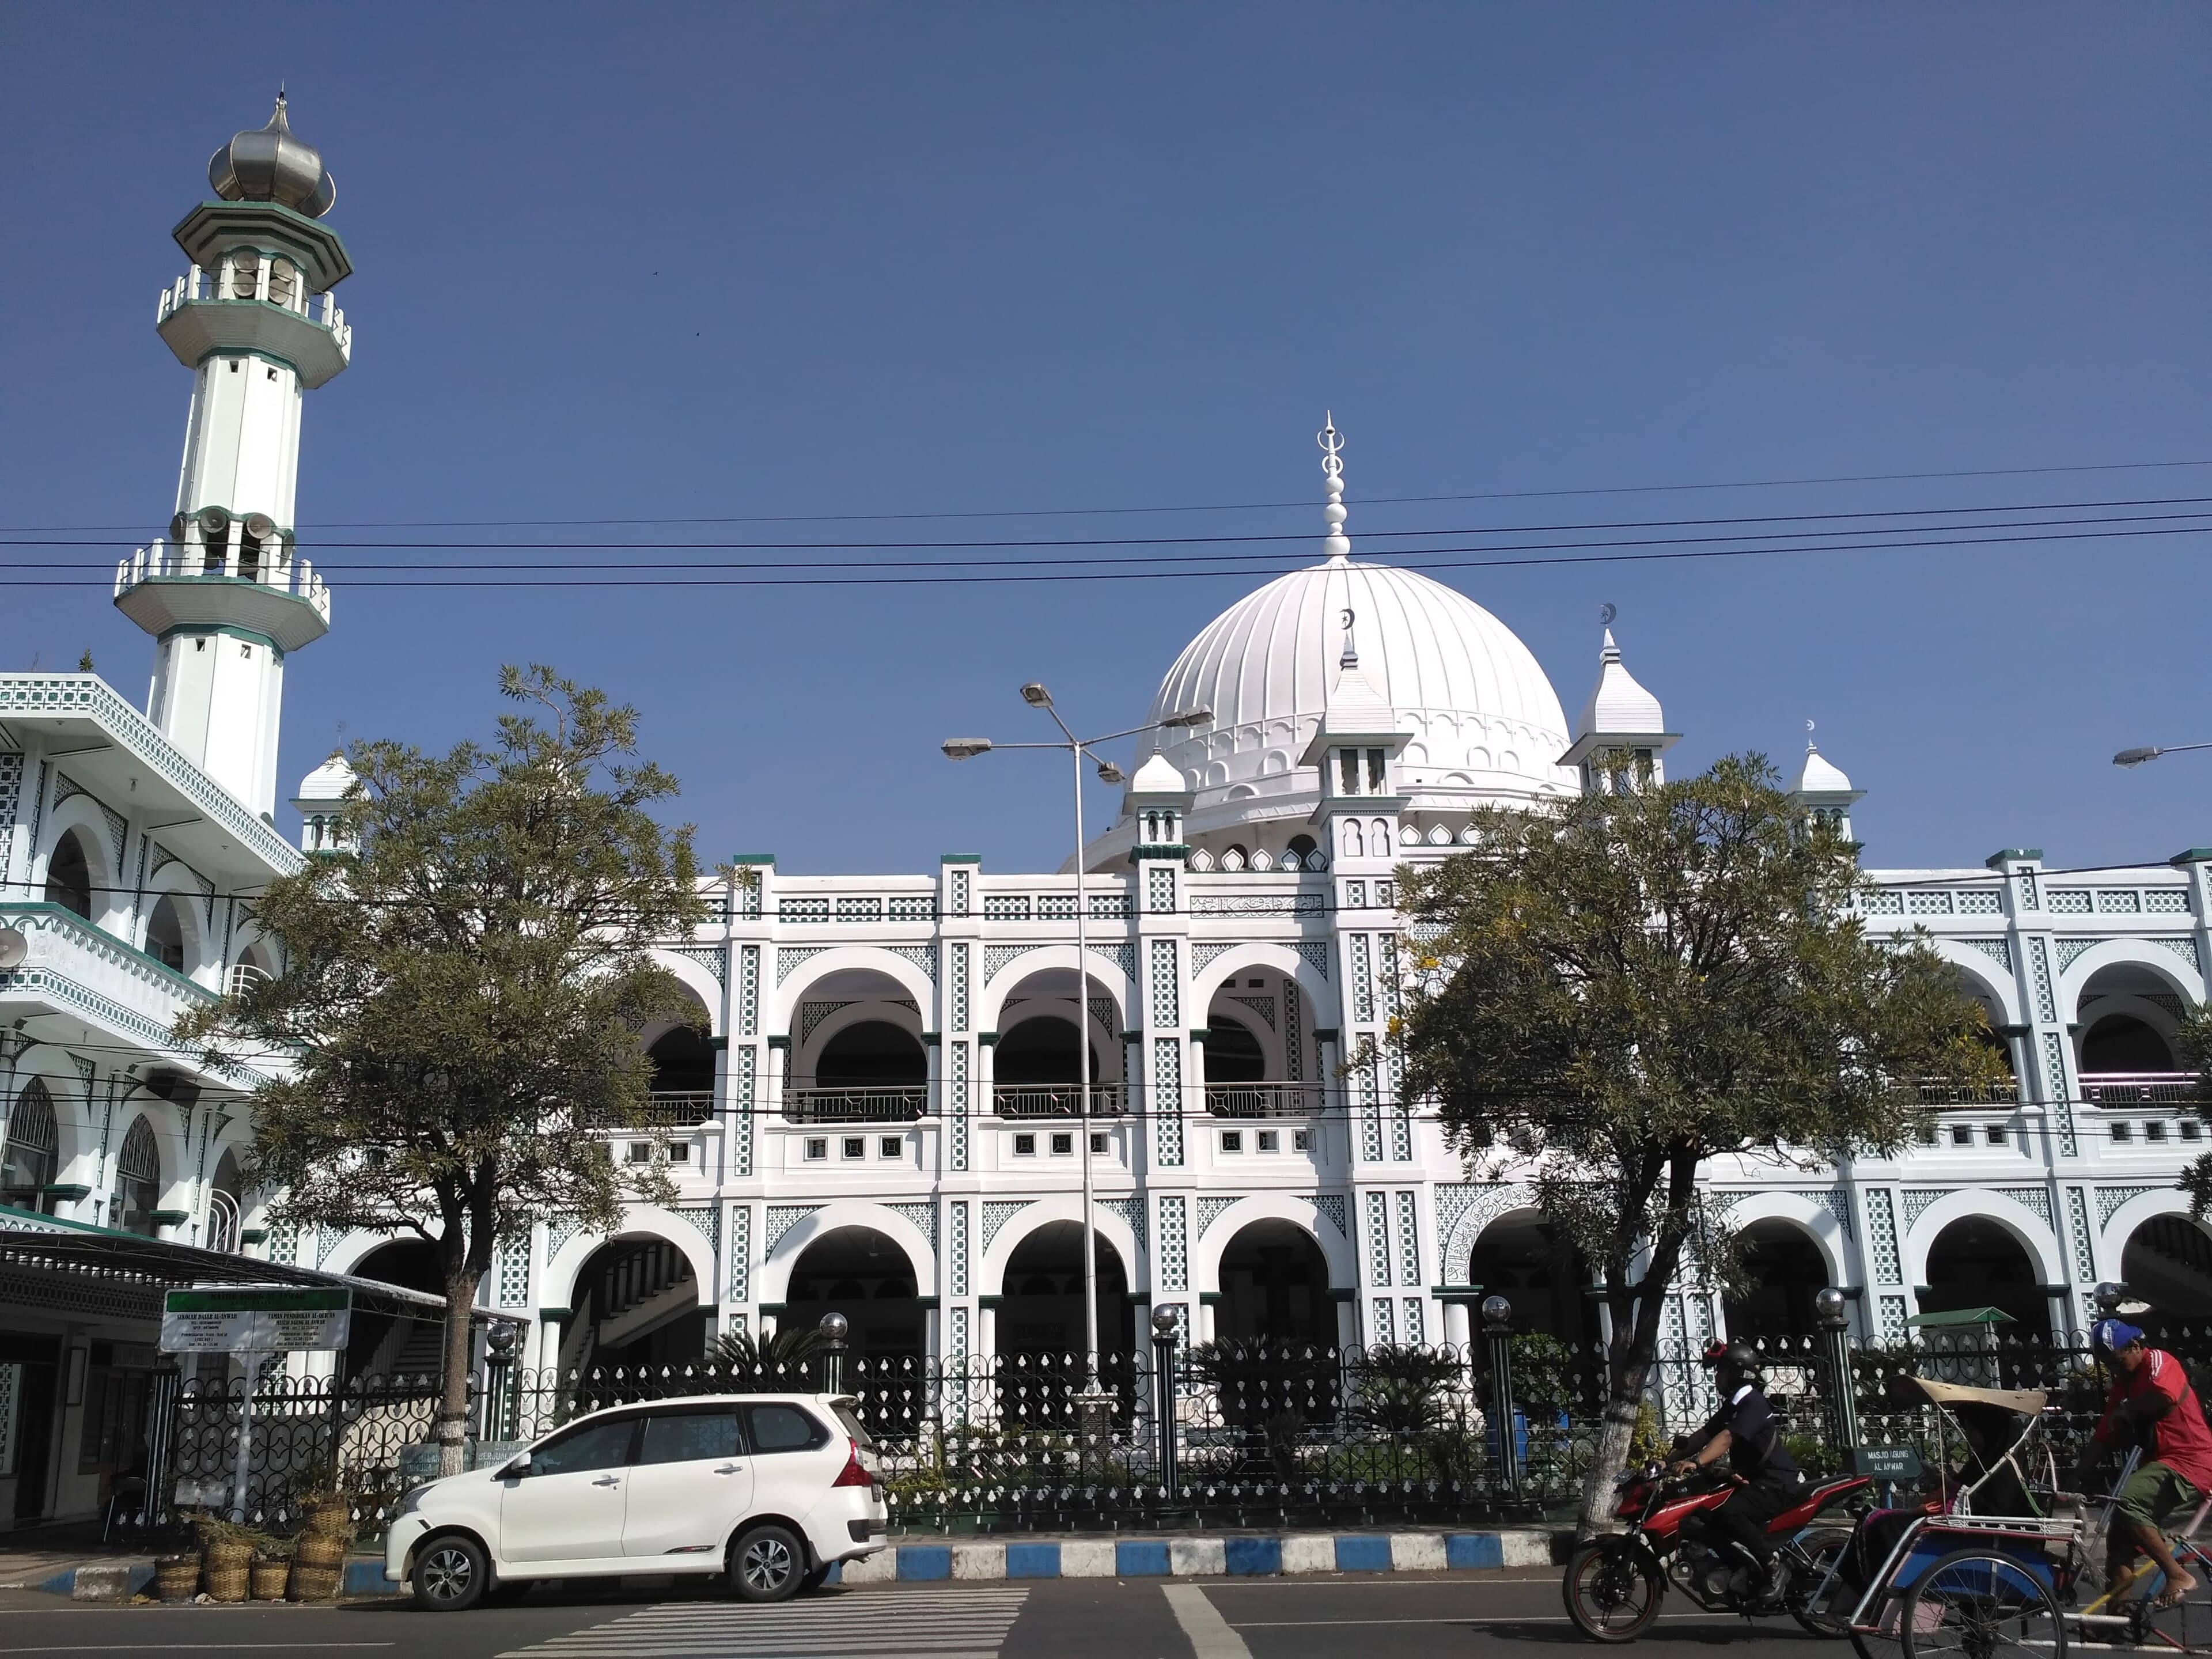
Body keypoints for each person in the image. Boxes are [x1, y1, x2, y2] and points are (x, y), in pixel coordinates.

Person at [2075, 1319, 2212, 1606]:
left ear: (2136, 1346)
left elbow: (2164, 1395)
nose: (2114, 1370)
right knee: (2119, 1536)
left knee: (2128, 1502)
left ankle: (2177, 1575)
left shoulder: (2159, 1362)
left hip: (2191, 1464)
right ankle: (2117, 1616)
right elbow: (2105, 1433)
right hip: (2161, 1466)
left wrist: (2128, 1409)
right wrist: (2079, 1473)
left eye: (2118, 1361)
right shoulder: (2123, 1385)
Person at [1670, 1340, 1811, 1601]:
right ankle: (1738, 1567)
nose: (1717, 1378)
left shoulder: (1753, 1403)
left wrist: (1697, 1462)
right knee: (1703, 1511)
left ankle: (1772, 1567)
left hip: (1775, 1482)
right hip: (1754, 1481)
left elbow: (1726, 1438)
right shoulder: (1735, 1405)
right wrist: (1667, 1460)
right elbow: (1705, 1434)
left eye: (1721, 1372)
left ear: (1737, 1373)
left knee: (1732, 1513)